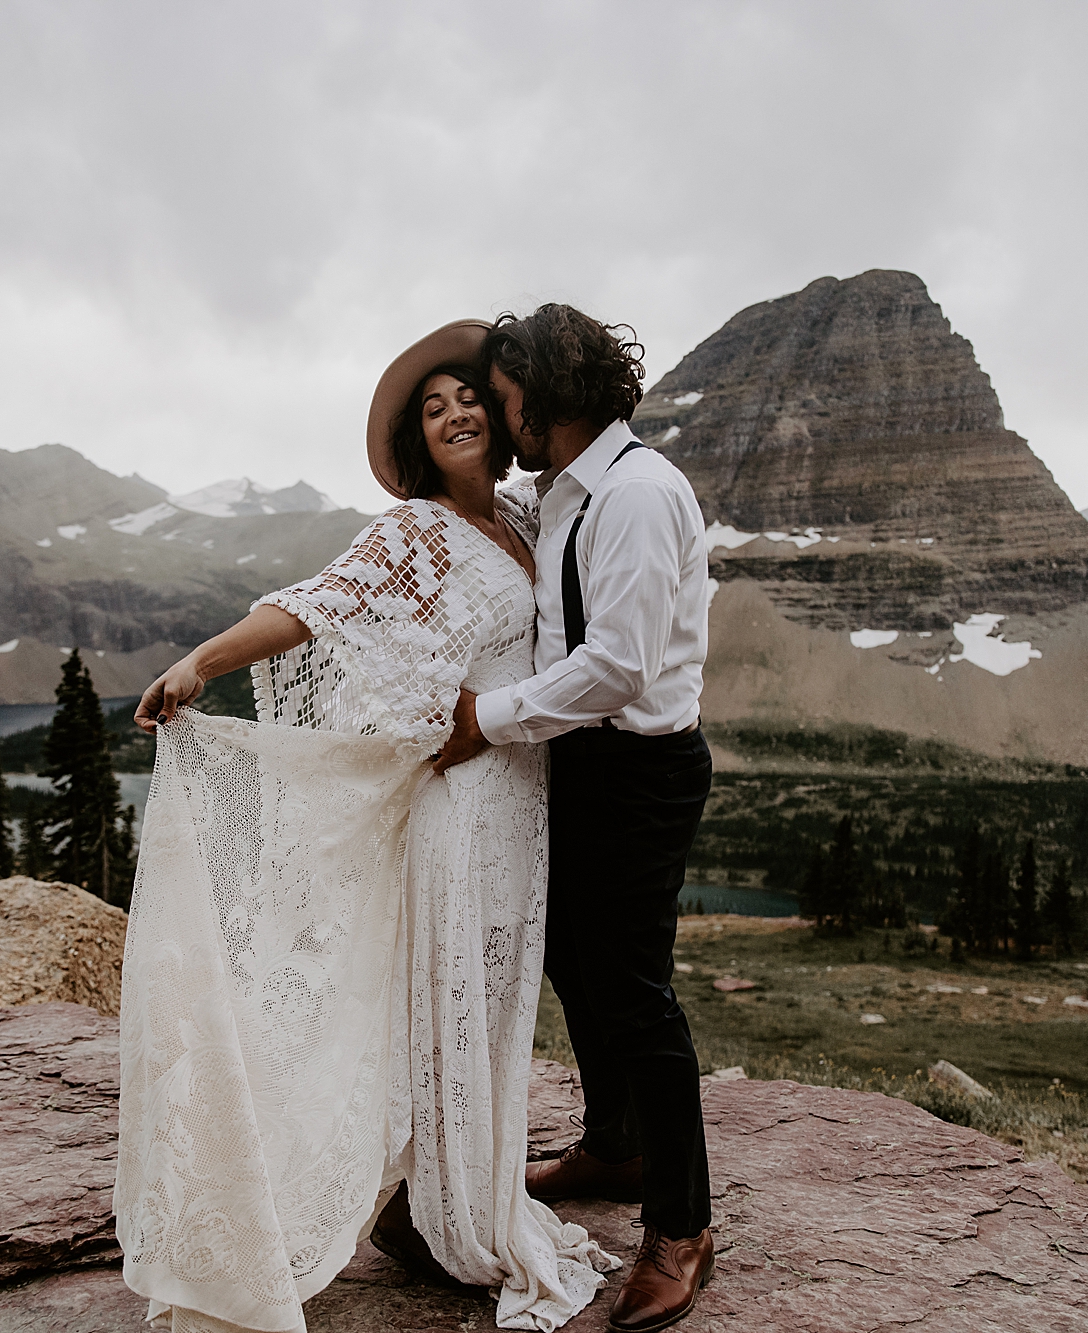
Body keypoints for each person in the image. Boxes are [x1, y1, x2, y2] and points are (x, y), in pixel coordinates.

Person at [112, 320, 616, 1333]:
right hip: (458, 802)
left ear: (497, 409)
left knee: (496, 999)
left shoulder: (524, 517)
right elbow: (317, 607)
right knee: (453, 1004)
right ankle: (449, 1216)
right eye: (430, 410)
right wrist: (202, 662)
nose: (454, 414)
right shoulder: (415, 535)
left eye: (466, 396)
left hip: (522, 802)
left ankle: (451, 1196)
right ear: (418, 444)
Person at [433, 304, 716, 1333]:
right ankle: (617, 1142)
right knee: (568, 952)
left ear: (545, 397)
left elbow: (616, 667)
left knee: (636, 991)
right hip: (584, 763)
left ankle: (681, 1224)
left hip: (637, 767)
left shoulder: (636, 495)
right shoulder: (561, 491)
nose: (497, 412)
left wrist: (484, 721)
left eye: (503, 394)